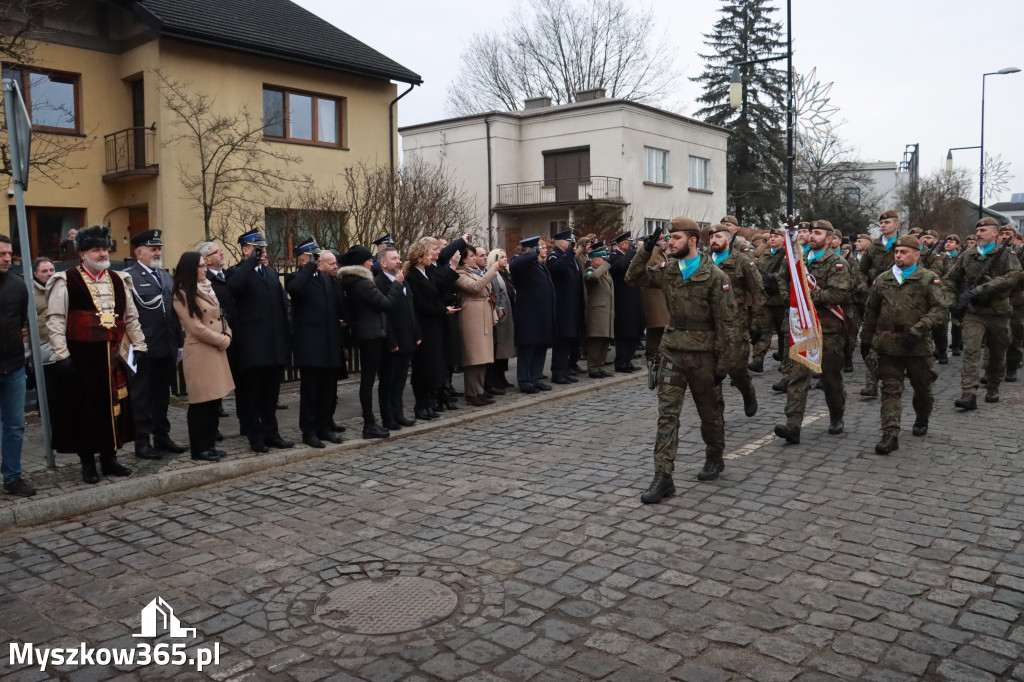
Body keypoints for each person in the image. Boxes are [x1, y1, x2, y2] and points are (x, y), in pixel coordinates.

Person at [625, 217, 743, 503]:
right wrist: (645, 249)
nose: (670, 242)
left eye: (675, 238)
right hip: (672, 352)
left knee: (710, 414)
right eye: (668, 238)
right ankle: (663, 477)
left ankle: (715, 456)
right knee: (667, 416)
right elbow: (633, 278)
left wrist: (724, 364)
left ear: (692, 240)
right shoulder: (668, 270)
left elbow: (728, 325)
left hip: (704, 356)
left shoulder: (716, 278)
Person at [46, 225, 147, 483]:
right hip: (82, 359)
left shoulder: (118, 279)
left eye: (104, 249)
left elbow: (131, 317)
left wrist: (140, 344)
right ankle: (88, 463)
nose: (102, 254)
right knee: (86, 411)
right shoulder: (65, 280)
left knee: (114, 408)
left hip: (113, 356)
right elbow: (56, 320)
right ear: (82, 254)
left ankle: (110, 459)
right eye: (96, 249)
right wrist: (62, 355)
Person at [860, 236, 948, 454]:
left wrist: (919, 329)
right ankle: (890, 434)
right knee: (890, 390)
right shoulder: (883, 279)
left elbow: (940, 310)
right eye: (896, 252)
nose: (898, 255)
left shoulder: (929, 279)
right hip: (888, 345)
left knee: (922, 388)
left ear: (916, 255)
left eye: (904, 252)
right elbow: (871, 311)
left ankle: (922, 416)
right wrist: (866, 339)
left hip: (917, 346)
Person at [774, 220, 851, 445]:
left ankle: (836, 414)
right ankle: (793, 425)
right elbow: (782, 278)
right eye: (811, 232)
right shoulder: (798, 259)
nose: (812, 236)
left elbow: (836, 295)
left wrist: (805, 299)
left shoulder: (837, 263)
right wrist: (789, 299)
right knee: (797, 377)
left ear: (829, 239)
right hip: (803, 330)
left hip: (828, 329)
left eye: (818, 233)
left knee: (831, 379)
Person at [226, 229, 293, 453]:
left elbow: (280, 310)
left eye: (263, 248)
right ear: (245, 250)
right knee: (251, 397)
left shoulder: (271, 274)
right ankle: (256, 437)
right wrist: (249, 263)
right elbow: (234, 288)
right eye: (257, 248)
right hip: (252, 349)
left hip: (273, 347)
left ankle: (272, 434)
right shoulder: (237, 273)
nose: (262, 252)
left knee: (270, 397)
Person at [945, 217, 1021, 409]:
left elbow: (1014, 276)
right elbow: (950, 279)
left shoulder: (1006, 255)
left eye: (983, 231)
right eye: (977, 231)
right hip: (974, 313)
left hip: (999, 313)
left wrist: (982, 289)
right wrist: (951, 301)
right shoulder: (967, 255)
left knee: (996, 353)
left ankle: (993, 386)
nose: (978, 234)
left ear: (995, 233)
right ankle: (968, 393)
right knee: (971, 350)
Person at [124, 229, 186, 459]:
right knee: (141, 397)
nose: (157, 252)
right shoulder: (129, 277)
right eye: (153, 249)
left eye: (159, 249)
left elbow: (175, 313)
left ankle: (162, 436)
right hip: (143, 348)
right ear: (139, 252)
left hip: (166, 346)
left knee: (162, 395)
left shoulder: (166, 277)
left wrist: (179, 343)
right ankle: (142, 441)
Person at [171, 252, 233, 462]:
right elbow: (195, 327)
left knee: (214, 401)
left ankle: (211, 445)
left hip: (215, 350)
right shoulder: (182, 294)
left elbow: (220, 316)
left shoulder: (207, 287)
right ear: (190, 269)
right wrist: (221, 340)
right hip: (200, 351)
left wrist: (227, 333)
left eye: (204, 265)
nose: (205, 268)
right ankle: (200, 449)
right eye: (200, 266)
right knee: (201, 403)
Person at [338, 245, 404, 438]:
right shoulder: (362, 284)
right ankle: (369, 424)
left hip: (368, 333)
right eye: (369, 260)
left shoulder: (354, 281)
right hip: (370, 336)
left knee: (368, 380)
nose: (372, 263)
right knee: (367, 382)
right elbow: (387, 303)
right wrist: (397, 284)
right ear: (361, 262)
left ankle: (371, 422)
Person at [287, 246, 346, 448]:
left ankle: (324, 427)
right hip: (311, 348)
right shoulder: (299, 279)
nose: (335, 266)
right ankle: (309, 431)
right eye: (330, 263)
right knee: (311, 393)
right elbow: (294, 290)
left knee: (328, 392)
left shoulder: (330, 282)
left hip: (330, 346)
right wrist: (312, 264)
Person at [708, 224, 763, 417]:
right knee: (711, 372)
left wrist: (756, 322)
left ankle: (747, 391)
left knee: (737, 368)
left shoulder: (742, 261)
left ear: (728, 239)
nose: (714, 241)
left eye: (718, 237)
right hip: (709, 325)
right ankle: (716, 415)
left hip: (735, 324)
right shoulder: (702, 261)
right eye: (711, 237)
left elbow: (757, 291)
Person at [406, 238, 460, 419]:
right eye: (429, 254)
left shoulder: (427, 272)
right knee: (422, 366)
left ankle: (428, 403)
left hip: (434, 324)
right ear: (420, 257)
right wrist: (443, 310)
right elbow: (421, 303)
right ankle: (420, 405)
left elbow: (439, 289)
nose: (432, 257)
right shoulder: (412, 275)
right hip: (424, 325)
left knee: (433, 365)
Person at [0, 236, 34, 496]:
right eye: (1, 254)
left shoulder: (18, 285)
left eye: (9, 254)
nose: (7, 259)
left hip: (13, 366)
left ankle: (12, 476)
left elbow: (21, 321)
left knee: (14, 425)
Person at [375, 245, 421, 429]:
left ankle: (398, 413)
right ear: (383, 263)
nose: (399, 261)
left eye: (398, 257)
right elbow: (385, 315)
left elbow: (411, 309)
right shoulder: (379, 283)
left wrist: (416, 333)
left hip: (407, 338)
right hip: (392, 341)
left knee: (401, 380)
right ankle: (388, 417)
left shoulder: (402, 280)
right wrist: (390, 341)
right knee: (388, 381)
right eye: (394, 258)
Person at [858, 210, 902, 398]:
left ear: (897, 225)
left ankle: (895, 378)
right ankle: (871, 382)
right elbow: (860, 271)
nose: (883, 225)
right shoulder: (873, 247)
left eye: (887, 222)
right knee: (872, 341)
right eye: (881, 223)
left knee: (896, 341)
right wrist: (863, 288)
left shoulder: (905, 245)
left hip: (900, 301)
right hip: (875, 300)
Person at [455, 244, 500, 406]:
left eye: (475, 256)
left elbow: (488, 293)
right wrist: (491, 272)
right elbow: (474, 287)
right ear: (463, 259)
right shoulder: (459, 273)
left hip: (484, 313)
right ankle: (471, 392)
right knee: (473, 357)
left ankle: (480, 390)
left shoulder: (477, 272)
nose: (475, 258)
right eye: (471, 256)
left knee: (484, 357)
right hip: (471, 315)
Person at [197, 241, 237, 423]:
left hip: (232, 334)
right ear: (206, 259)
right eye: (216, 252)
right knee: (214, 384)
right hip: (215, 338)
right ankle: (213, 424)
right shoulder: (203, 284)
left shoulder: (229, 276)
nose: (221, 253)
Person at [510, 236, 555, 394]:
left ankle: (535, 378)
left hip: (542, 314)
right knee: (528, 348)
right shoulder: (519, 262)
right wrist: (533, 252)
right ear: (529, 249)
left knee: (540, 347)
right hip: (529, 314)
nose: (542, 250)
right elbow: (514, 265)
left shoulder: (538, 264)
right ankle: (525, 380)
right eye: (539, 248)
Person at [547, 230, 585, 383]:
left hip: (572, 306)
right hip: (562, 307)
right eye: (569, 242)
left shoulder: (569, 257)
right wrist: (570, 252)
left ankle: (564, 370)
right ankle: (557, 372)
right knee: (561, 340)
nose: (572, 245)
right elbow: (559, 269)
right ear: (562, 242)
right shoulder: (554, 256)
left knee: (569, 340)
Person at [750, 228, 790, 375]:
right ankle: (758, 360)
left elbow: (787, 273)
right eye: (771, 237)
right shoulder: (764, 254)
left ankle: (783, 358)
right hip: (765, 298)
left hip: (781, 299)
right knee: (763, 330)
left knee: (782, 332)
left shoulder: (787, 254)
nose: (772, 239)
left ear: (783, 239)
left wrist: (774, 276)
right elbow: (756, 270)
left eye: (776, 237)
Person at [608, 232, 642, 373]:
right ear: (623, 244)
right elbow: (620, 267)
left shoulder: (630, 256)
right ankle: (621, 362)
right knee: (623, 333)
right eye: (629, 243)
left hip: (634, 297)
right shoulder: (614, 256)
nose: (631, 246)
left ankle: (628, 360)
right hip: (622, 300)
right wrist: (630, 253)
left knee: (634, 331)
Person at [583, 241, 614, 378]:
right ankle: (593, 367)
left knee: (604, 341)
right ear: (595, 259)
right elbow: (592, 277)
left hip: (607, 312)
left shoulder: (606, 273)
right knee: (596, 341)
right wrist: (606, 265)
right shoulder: (590, 270)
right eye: (602, 259)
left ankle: (600, 366)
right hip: (597, 312)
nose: (605, 261)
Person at [486, 249, 515, 392]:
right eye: (501, 257)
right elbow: (494, 293)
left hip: (509, 312)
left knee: (506, 347)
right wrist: (499, 308)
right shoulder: (493, 274)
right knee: (499, 349)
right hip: (500, 314)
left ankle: (502, 376)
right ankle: (496, 378)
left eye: (505, 256)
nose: (505, 259)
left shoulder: (506, 273)